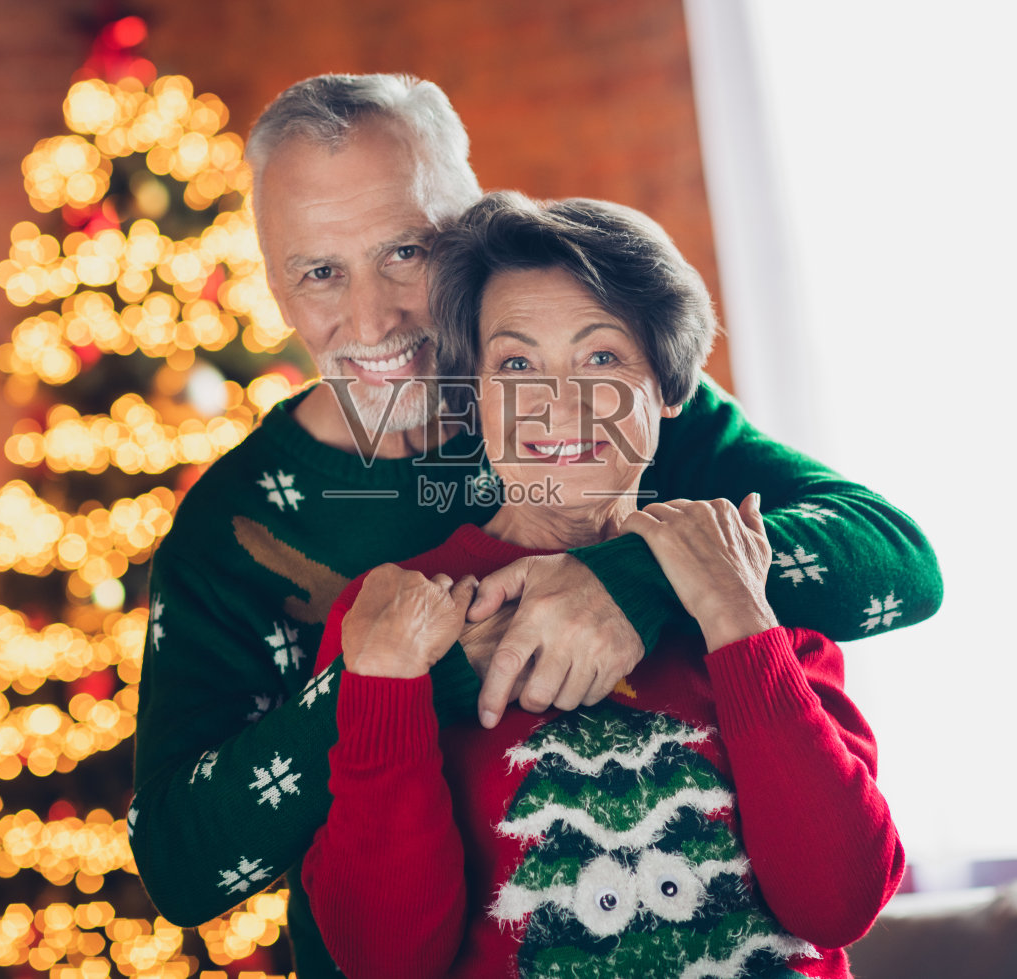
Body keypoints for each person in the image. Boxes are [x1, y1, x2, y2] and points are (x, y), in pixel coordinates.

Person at [127, 75, 938, 970]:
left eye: (406, 252)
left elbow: (898, 561)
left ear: (470, 228)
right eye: (320, 272)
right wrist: (409, 680)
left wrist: (632, 580)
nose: (373, 318)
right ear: (277, 288)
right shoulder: (227, 531)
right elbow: (182, 867)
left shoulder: (603, 400)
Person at [304, 192, 902, 977]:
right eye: (516, 364)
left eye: (602, 358)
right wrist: (383, 685)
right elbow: (382, 962)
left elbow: (839, 902)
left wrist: (737, 618)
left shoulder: (739, 567)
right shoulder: (393, 613)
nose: (559, 402)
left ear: (668, 390)